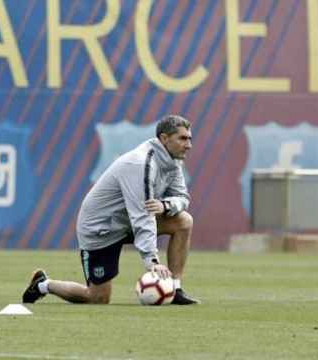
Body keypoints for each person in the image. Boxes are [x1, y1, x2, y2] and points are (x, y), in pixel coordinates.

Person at [22, 114, 200, 305]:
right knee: (97, 298)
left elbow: (183, 198)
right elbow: (143, 216)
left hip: (127, 223)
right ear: (164, 138)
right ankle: (43, 284)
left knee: (184, 221)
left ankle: (174, 288)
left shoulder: (173, 162)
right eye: (183, 138)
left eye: (189, 138)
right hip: (101, 229)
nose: (188, 144)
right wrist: (152, 263)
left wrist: (166, 205)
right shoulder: (140, 164)